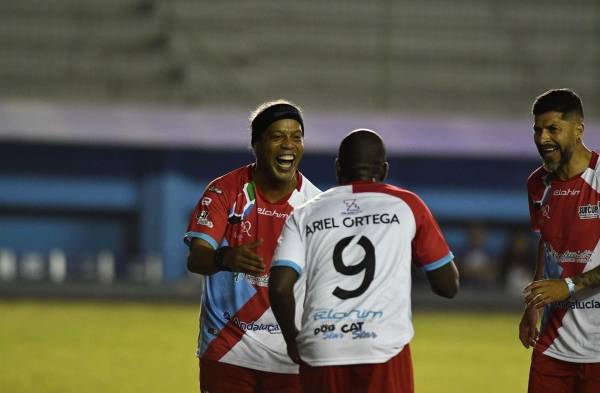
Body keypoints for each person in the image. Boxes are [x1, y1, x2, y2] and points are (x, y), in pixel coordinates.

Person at [269, 129, 459, 393]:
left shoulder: (304, 214)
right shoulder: (407, 205)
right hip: (383, 347)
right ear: (383, 170)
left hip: (322, 347)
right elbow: (447, 286)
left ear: (338, 168)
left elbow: (278, 287)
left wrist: (292, 340)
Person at [184, 99, 321, 393]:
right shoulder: (225, 190)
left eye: (296, 136)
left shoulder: (315, 205)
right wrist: (224, 258)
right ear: (256, 144)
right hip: (227, 350)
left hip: (290, 356)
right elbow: (197, 259)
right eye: (277, 136)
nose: (289, 145)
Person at [519, 88, 600, 393]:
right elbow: (546, 243)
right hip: (552, 347)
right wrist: (534, 305)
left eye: (553, 129)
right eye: (537, 130)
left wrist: (566, 286)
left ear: (578, 130)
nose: (543, 139)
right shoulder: (537, 183)